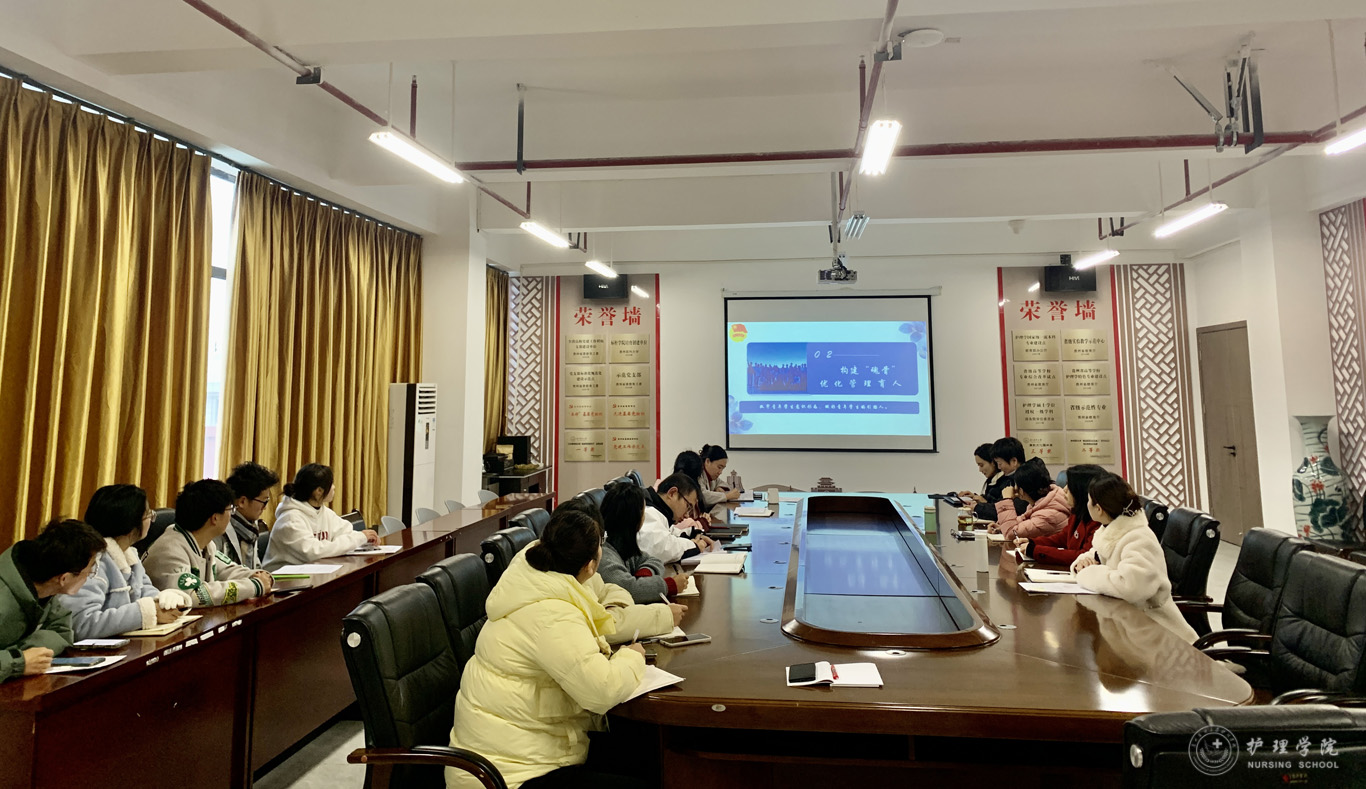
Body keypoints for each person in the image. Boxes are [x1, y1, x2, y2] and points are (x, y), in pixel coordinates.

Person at [446, 509, 670, 789]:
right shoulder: (551, 614)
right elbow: (601, 690)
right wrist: (632, 657)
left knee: (644, 750)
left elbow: (604, 594)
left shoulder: (540, 577)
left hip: (523, 749)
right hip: (506, 774)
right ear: (590, 565)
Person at [1071, 474, 1198, 642]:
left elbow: (1131, 587)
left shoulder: (1139, 539)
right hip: (1127, 626)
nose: (1087, 504)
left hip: (1156, 632)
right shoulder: (1110, 530)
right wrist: (1082, 563)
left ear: (1099, 509)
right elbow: (1096, 553)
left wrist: (1090, 573)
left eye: (1089, 501)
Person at [59, 485, 194, 640]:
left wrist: (164, 600)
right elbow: (82, 624)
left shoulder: (130, 554)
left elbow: (145, 590)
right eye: (148, 514)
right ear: (130, 524)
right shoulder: (91, 562)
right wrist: (148, 612)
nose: (151, 519)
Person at [1, 519, 105, 682]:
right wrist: (18, 661)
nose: (90, 576)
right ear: (64, 578)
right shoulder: (4, 597)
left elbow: (62, 630)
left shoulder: (43, 587)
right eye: (89, 571)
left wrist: (22, 652)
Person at [144, 480, 275, 605]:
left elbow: (227, 570)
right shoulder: (170, 551)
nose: (232, 515)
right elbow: (194, 594)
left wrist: (258, 576)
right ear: (215, 518)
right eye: (230, 510)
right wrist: (254, 586)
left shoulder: (205, 543)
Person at [261, 463, 377, 571]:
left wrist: (364, 539)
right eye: (331, 484)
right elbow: (314, 552)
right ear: (319, 491)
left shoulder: (323, 511)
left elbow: (346, 532)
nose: (334, 487)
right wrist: (359, 538)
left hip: (310, 573)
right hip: (282, 579)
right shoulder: (290, 519)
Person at [598, 482, 692, 602]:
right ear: (635, 518)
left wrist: (644, 574)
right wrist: (669, 585)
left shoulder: (622, 545)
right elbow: (629, 590)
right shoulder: (604, 555)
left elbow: (654, 560)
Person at [1016, 464, 1104, 566]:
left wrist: (1035, 550)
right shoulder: (1077, 513)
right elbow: (1063, 537)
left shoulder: (1097, 521)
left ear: (1081, 491)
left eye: (1069, 486)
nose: (1064, 489)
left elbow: (1082, 555)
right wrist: (1033, 542)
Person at [640, 472, 714, 564]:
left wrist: (694, 533)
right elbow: (660, 548)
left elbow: (671, 533)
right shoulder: (647, 511)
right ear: (672, 493)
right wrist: (695, 545)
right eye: (688, 506)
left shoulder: (659, 512)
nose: (687, 515)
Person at [219, 462, 281, 570]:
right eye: (264, 502)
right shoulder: (219, 528)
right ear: (242, 501)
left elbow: (255, 567)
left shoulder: (250, 527)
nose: (265, 508)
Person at [992, 458, 1069, 541]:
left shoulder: (1048, 516)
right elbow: (1023, 523)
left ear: (1021, 490)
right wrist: (1001, 527)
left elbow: (1011, 534)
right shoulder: (1044, 501)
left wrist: (1007, 499)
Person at [959, 443, 1009, 520]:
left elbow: (1000, 509)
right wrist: (974, 497)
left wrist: (985, 503)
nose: (980, 470)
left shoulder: (1006, 482)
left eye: (981, 465)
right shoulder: (992, 481)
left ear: (993, 462)